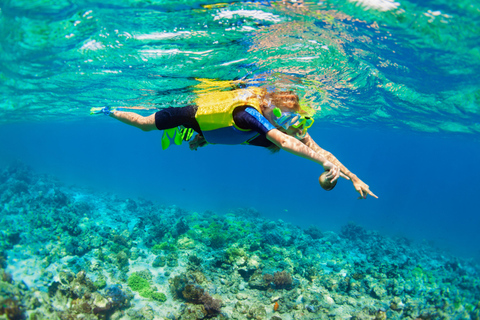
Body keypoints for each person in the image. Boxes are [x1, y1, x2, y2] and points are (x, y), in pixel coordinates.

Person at [92, 86, 377, 199]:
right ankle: (109, 110)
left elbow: (316, 149)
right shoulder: (251, 113)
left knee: (275, 142)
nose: (285, 124)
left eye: (289, 120)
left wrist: (353, 177)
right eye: (279, 116)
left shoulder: (286, 125)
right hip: (197, 117)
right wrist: (323, 163)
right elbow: (286, 142)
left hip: (226, 133)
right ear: (268, 107)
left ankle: (202, 139)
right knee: (144, 126)